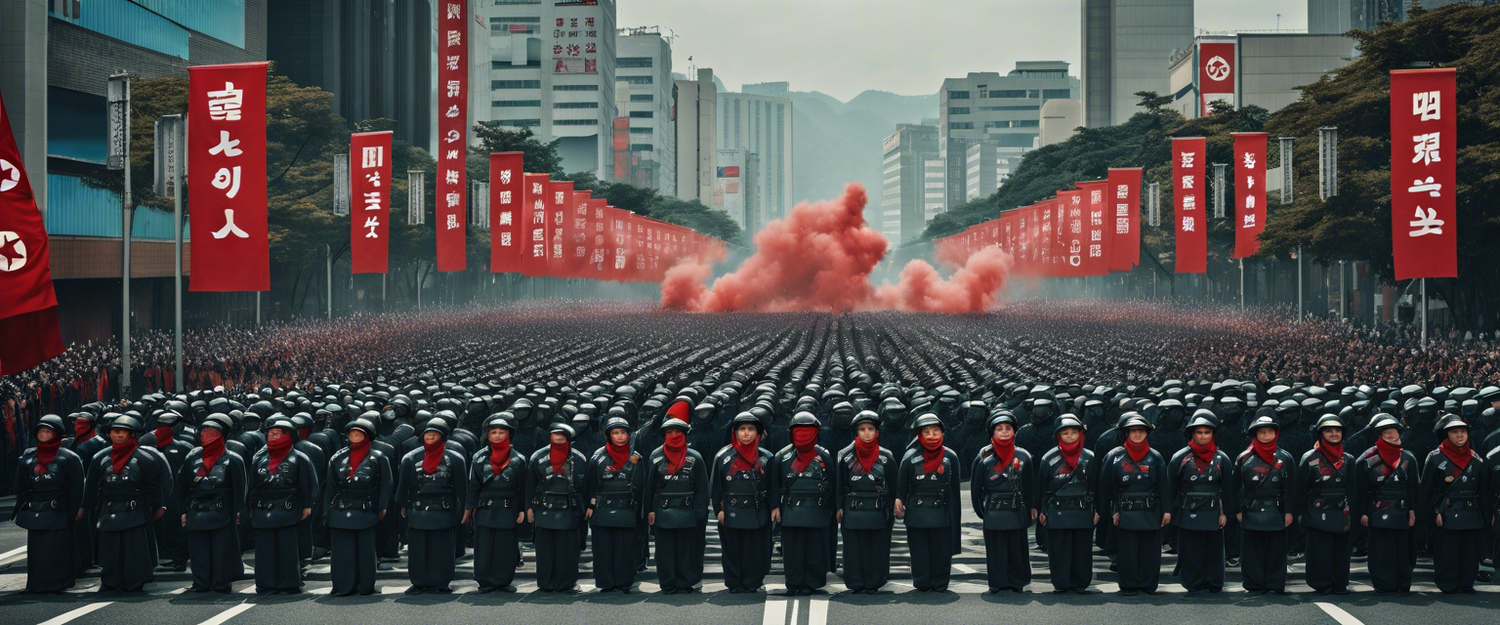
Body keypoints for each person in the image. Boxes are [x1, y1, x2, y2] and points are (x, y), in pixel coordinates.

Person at [83, 414, 167, 592]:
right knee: (109, 549)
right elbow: (91, 486)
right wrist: (85, 507)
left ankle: (136, 580)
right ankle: (111, 581)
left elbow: (154, 486)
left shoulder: (146, 458)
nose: (119, 435)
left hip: (136, 510)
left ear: (131, 434)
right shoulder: (100, 458)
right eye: (115, 431)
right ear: (110, 434)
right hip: (109, 510)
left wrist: (159, 506)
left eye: (123, 432)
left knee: (134, 549)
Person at [1100, 413, 1171, 596]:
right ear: (1127, 433)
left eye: (1141, 431)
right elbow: (1108, 487)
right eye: (1133, 431)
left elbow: (1164, 485)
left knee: (1150, 552)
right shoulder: (1115, 457)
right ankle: (1129, 585)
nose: (1137, 435)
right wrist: (1113, 510)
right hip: (1125, 512)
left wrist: (1167, 510)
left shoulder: (1155, 457)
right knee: (1127, 552)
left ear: (1147, 434)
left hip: (1151, 510)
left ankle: (1148, 585)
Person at [13, 415, 85, 593]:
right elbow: (21, 485)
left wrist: (75, 509)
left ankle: (59, 582)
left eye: (48, 431)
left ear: (57, 433)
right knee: (37, 548)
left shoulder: (69, 457)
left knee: (58, 547)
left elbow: (76, 486)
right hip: (36, 508)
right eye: (41, 431)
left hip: (59, 508)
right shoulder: (28, 457)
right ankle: (36, 583)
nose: (44, 434)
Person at [247, 416, 317, 595]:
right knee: (265, 549)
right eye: (270, 434)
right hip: (263, 508)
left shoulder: (300, 457)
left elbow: (309, 483)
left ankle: (289, 584)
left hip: (288, 507)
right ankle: (266, 584)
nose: (272, 437)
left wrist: (308, 504)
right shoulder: (259, 459)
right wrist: (249, 506)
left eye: (276, 434)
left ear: (288, 435)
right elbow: (252, 485)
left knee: (287, 549)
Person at [396, 417, 466, 594]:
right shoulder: (410, 458)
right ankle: (418, 582)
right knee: (418, 549)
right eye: (428, 435)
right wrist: (402, 504)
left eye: (435, 436)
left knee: (441, 549)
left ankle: (441, 582)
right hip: (418, 510)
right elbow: (403, 486)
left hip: (443, 510)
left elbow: (461, 489)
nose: (430, 438)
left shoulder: (455, 458)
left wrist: (463, 510)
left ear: (443, 438)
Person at [178, 416, 247, 593]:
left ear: (221, 436)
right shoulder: (192, 457)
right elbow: (182, 486)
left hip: (222, 511)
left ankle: (220, 583)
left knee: (221, 551)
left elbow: (240, 488)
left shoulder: (233, 458)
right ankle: (200, 583)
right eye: (204, 434)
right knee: (198, 551)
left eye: (213, 434)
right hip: (196, 511)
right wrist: (184, 510)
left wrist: (238, 511)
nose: (207, 438)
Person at [895, 413, 962, 593]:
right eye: (927, 432)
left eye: (935, 431)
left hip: (942, 511)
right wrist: (898, 500)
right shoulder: (909, 457)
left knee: (941, 551)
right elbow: (901, 486)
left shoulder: (951, 457)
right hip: (917, 512)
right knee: (919, 551)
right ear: (919, 435)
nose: (931, 435)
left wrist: (954, 518)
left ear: (943, 434)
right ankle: (922, 581)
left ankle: (940, 582)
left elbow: (955, 491)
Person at [324, 418, 391, 596]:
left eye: (358, 434)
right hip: (340, 508)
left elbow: (386, 483)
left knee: (365, 551)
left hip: (366, 509)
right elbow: (330, 486)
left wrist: (382, 506)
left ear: (366, 436)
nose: (354, 437)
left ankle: (365, 585)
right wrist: (326, 511)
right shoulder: (337, 457)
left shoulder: (378, 457)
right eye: (352, 434)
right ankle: (343, 585)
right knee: (342, 551)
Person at [771, 412, 835, 596]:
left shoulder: (824, 455)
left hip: (817, 508)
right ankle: (794, 582)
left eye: (809, 431)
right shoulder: (782, 456)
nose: (804, 435)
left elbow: (832, 482)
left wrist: (830, 508)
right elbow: (775, 484)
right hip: (791, 510)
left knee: (815, 549)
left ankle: (812, 582)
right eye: (800, 431)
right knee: (792, 550)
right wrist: (775, 506)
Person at [1168, 410, 1231, 595]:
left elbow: (1227, 490)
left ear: (1212, 434)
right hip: (1188, 511)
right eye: (1199, 432)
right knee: (1190, 550)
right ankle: (1192, 582)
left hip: (1213, 512)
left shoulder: (1222, 458)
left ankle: (1214, 582)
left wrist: (1224, 513)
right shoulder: (1180, 458)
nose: (1203, 436)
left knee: (1214, 551)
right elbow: (1171, 488)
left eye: (1207, 432)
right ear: (1192, 434)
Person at [645, 416, 711, 594]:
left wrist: (700, 512)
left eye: (677, 432)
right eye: (669, 432)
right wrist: (649, 510)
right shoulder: (656, 456)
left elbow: (703, 488)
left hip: (688, 511)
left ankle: (685, 582)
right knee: (664, 551)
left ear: (684, 434)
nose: (674, 435)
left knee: (687, 550)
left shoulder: (695, 457)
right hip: (663, 510)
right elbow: (649, 487)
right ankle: (667, 583)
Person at [970, 411, 1034, 594]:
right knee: (996, 549)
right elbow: (976, 488)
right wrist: (980, 510)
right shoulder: (983, 458)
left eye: (1008, 428)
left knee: (1017, 548)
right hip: (994, 510)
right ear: (992, 433)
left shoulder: (1024, 456)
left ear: (1014, 431)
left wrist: (1032, 507)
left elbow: (1030, 485)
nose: (1004, 432)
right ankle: (997, 582)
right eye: (999, 429)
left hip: (1017, 510)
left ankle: (1017, 581)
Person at [1422, 414, 1486, 594]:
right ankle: (1448, 583)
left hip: (1471, 511)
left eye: (1463, 431)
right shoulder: (1435, 457)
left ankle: (1466, 582)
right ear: (1446, 435)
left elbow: (1484, 492)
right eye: (1455, 432)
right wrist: (1433, 513)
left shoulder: (1476, 459)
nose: (1460, 435)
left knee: (1469, 551)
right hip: (1446, 510)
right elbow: (1427, 490)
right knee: (1447, 550)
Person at [1356, 413, 1419, 594]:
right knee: (1381, 550)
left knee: (1403, 549)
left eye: (1394, 433)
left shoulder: (1409, 457)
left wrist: (1413, 510)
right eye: (1387, 434)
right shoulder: (1367, 459)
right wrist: (1363, 512)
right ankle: (1384, 583)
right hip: (1377, 509)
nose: (1392, 437)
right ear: (1380, 436)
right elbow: (1362, 490)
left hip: (1403, 509)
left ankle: (1402, 583)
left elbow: (1415, 488)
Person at [834, 410, 896, 595]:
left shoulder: (886, 456)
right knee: (853, 549)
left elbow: (893, 484)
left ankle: (874, 582)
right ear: (856, 432)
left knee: (877, 548)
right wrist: (838, 507)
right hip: (852, 508)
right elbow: (839, 484)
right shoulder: (844, 456)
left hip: (878, 508)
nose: (867, 433)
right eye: (862, 429)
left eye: (870, 429)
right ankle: (855, 582)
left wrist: (892, 507)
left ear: (877, 432)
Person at [712, 412, 774, 594]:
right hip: (731, 509)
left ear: (758, 433)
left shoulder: (767, 457)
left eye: (751, 429)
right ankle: (734, 582)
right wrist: (718, 510)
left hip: (758, 510)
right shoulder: (722, 456)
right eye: (742, 429)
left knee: (756, 549)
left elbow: (773, 487)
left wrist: (773, 509)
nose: (746, 433)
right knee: (732, 549)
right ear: (735, 432)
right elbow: (716, 486)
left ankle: (753, 582)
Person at [1294, 414, 1355, 595]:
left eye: (1337, 430)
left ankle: (1339, 584)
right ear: (1321, 433)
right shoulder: (1309, 457)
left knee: (1341, 552)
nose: (1334, 434)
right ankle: (1321, 584)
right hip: (1316, 509)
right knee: (1319, 551)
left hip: (1342, 510)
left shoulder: (1349, 459)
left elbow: (1354, 490)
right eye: (1329, 430)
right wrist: (1301, 513)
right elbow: (1300, 488)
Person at [1234, 415, 1295, 594]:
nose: (1266, 435)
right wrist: (1237, 509)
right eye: (1262, 432)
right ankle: (1253, 584)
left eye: (1270, 431)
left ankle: (1274, 584)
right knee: (1251, 551)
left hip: (1276, 509)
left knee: (1276, 551)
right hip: (1251, 509)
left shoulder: (1286, 457)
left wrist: (1289, 511)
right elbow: (1235, 487)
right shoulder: (1244, 457)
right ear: (1255, 434)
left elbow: (1290, 488)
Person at [468, 413, 528, 594]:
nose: (497, 435)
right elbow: (473, 486)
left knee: (505, 546)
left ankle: (503, 581)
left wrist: (521, 509)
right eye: (493, 432)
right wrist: (469, 509)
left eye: (502, 432)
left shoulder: (518, 458)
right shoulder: (478, 457)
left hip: (508, 507)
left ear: (509, 434)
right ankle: (485, 581)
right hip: (485, 508)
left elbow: (522, 487)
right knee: (484, 546)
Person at [1037, 413, 1096, 594]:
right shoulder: (1048, 458)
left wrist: (1098, 509)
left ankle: (1080, 582)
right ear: (1058, 436)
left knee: (1082, 549)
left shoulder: (1090, 457)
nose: (1070, 436)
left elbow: (1096, 486)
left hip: (1083, 510)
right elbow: (1042, 487)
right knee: (1059, 549)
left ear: (1080, 434)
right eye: (1065, 433)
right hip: (1057, 510)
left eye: (1073, 432)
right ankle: (1061, 582)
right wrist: (1041, 510)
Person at [585, 415, 644, 593]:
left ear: (628, 434)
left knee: (625, 548)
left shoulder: (636, 458)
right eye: (615, 433)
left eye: (623, 432)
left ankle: (625, 581)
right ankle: (605, 582)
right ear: (608, 435)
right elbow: (589, 485)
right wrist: (590, 505)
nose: (619, 436)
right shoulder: (598, 456)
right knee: (603, 548)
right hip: (602, 508)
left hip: (628, 508)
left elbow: (643, 485)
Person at [527, 422, 588, 593]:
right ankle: (545, 583)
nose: (559, 437)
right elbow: (529, 485)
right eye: (555, 434)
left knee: (568, 550)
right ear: (550, 436)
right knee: (544, 549)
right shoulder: (537, 457)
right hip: (544, 508)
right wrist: (528, 508)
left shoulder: (579, 458)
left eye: (562, 435)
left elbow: (585, 486)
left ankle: (567, 583)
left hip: (570, 509)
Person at [148, 410, 193, 572]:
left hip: (178, 494)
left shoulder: (184, 447)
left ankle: (180, 559)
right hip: (160, 494)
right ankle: (173, 556)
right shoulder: (151, 448)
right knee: (165, 528)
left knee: (179, 527)